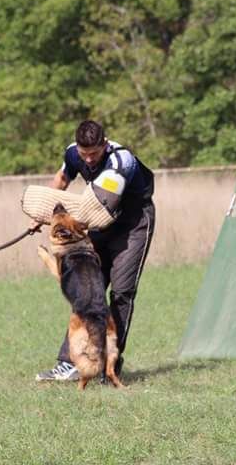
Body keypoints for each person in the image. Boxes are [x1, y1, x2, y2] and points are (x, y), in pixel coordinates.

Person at [35, 120, 155, 382]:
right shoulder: (72, 153)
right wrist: (43, 212)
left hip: (131, 225)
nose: (88, 160)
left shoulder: (121, 161)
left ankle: (107, 364)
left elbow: (103, 205)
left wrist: (64, 223)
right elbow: (63, 179)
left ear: (105, 144)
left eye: (94, 154)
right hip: (96, 222)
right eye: (83, 153)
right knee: (86, 288)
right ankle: (70, 363)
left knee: (122, 292)